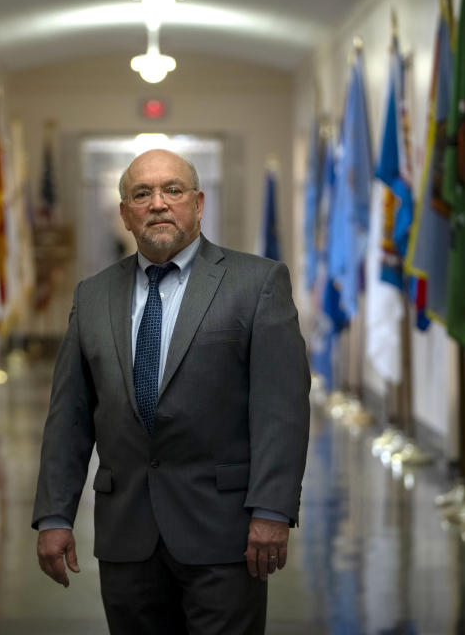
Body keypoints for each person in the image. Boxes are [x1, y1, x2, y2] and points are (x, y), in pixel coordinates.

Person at [32, 148, 310, 634]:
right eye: (142, 194)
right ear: (125, 214)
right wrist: (55, 515)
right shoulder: (92, 295)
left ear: (198, 204)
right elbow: (69, 417)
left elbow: (281, 410)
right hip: (125, 535)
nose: (158, 203)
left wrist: (272, 510)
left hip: (225, 532)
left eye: (172, 190)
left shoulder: (257, 283)